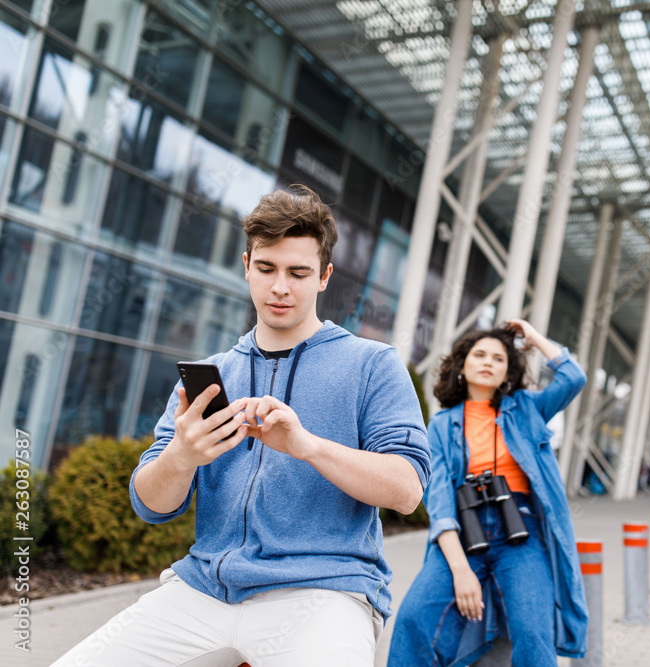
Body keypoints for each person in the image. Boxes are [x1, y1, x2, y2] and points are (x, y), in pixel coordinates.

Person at [53, 185, 430, 667]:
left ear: (324, 277)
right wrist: (182, 456)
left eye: (299, 273)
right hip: (203, 589)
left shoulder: (373, 364)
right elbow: (150, 505)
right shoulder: (209, 376)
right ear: (247, 265)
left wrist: (307, 446)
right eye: (268, 269)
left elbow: (407, 491)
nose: (280, 288)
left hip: (323, 594)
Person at [387, 320, 588, 667]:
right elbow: (440, 502)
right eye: (479, 354)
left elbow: (574, 379)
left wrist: (534, 337)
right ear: (462, 366)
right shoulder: (441, 424)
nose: (488, 362)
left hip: (521, 533)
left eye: (498, 358)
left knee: (534, 633)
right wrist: (461, 570)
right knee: (412, 620)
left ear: (508, 372)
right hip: (461, 531)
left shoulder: (526, 409)